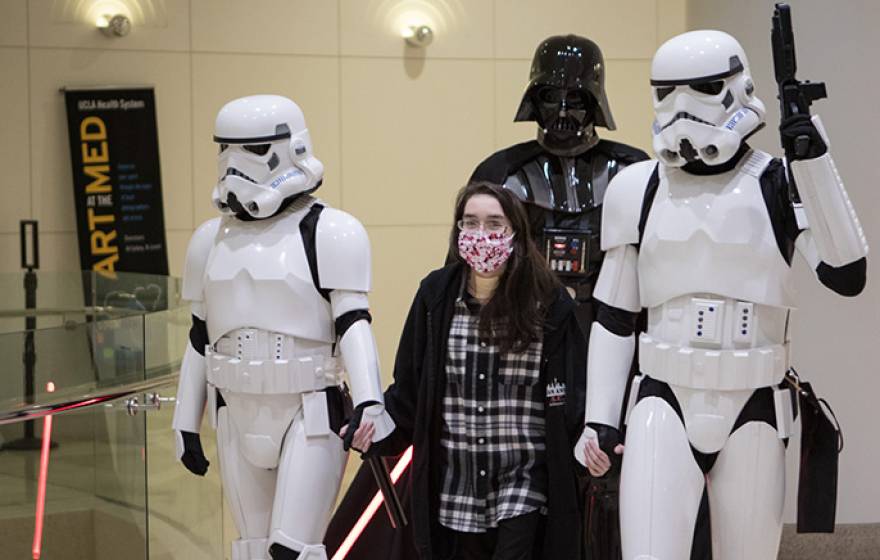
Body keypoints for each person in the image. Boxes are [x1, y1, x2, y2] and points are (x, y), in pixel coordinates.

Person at [577, 30, 867, 559]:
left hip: (754, 402)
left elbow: (847, 273)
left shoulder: (776, 182)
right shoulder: (636, 188)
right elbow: (615, 314)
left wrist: (815, 161)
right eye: (667, 92)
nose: (682, 108)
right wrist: (599, 416)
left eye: (704, 88)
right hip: (662, 400)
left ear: (739, 88)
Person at [172, 94, 394, 560]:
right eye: (225, 150)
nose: (235, 166)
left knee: (293, 550)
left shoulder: (330, 230)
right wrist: (184, 421)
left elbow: (353, 322)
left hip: (309, 411)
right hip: (234, 410)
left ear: (291, 148)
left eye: (252, 150)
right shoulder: (208, 240)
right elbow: (199, 334)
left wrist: (371, 401)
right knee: (251, 550)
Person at [345, 182, 587, 560]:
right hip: (453, 488)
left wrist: (598, 441)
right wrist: (375, 427)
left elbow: (575, 397)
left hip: (522, 485)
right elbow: (409, 391)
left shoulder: (550, 303)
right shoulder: (435, 296)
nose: (481, 235)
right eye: (470, 223)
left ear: (515, 234)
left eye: (494, 224)